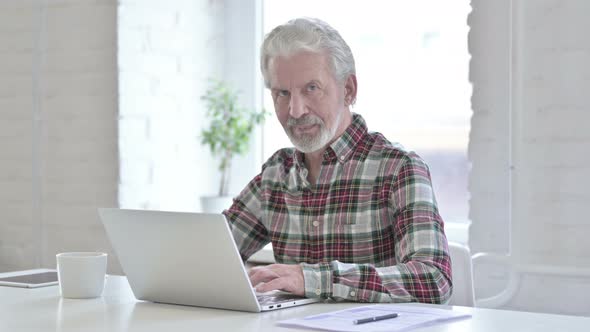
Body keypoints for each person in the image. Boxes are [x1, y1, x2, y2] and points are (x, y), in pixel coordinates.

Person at [223, 17, 452, 304]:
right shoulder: (275, 175)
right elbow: (214, 258)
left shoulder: (399, 168)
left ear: (348, 90)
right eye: (283, 93)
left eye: (311, 88)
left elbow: (434, 279)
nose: (295, 111)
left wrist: (313, 279)